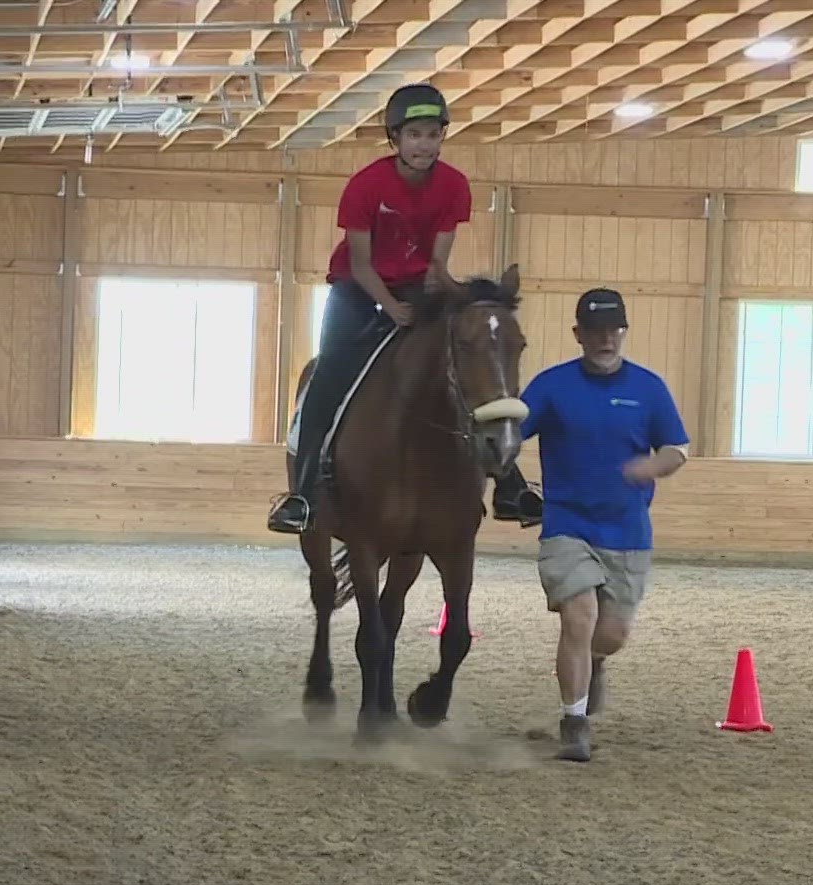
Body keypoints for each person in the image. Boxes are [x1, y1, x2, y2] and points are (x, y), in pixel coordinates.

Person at [267, 83, 541, 535]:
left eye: (433, 135)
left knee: (461, 361)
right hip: (357, 289)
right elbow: (360, 262)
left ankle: (509, 485)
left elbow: (438, 260)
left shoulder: (454, 186)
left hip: (417, 286)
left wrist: (450, 291)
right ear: (395, 138)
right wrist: (391, 307)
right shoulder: (366, 185)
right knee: (332, 372)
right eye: (414, 135)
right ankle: (303, 492)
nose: (424, 145)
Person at [517, 288, 690, 762]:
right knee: (578, 616)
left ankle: (594, 663)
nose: (605, 339)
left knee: (610, 635)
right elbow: (512, 432)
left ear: (624, 333)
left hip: (627, 532)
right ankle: (574, 722)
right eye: (594, 331)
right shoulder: (552, 387)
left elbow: (676, 449)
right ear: (578, 335)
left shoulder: (649, 389)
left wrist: (650, 469)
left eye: (613, 330)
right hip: (566, 524)